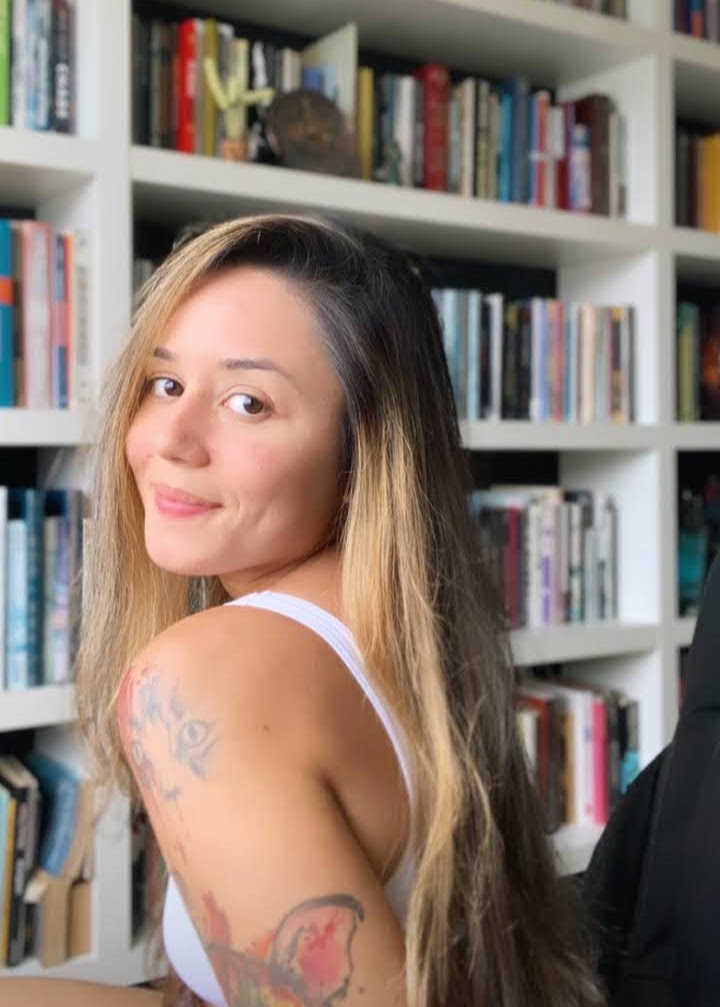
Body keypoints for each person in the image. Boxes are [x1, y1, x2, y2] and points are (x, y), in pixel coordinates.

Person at [1, 214, 604, 1007]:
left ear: (361, 452)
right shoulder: (407, 629)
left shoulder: (201, 678)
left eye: (248, 402)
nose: (172, 438)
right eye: (166, 384)